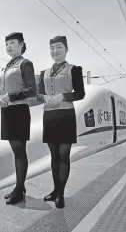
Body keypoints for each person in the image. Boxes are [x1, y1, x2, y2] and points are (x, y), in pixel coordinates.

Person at [37, 35, 85, 208]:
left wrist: (62, 96)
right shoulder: (44, 73)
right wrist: (43, 97)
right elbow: (38, 94)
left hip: (66, 115)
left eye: (59, 47)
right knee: (54, 156)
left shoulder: (74, 69)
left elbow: (80, 94)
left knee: (64, 156)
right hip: (49, 116)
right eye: (52, 48)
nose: (55, 51)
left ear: (66, 49)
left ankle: (61, 194)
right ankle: (55, 190)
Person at [0, 32, 37, 204]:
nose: (8, 46)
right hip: (7, 111)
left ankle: (19, 190)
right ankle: (20, 186)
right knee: (16, 151)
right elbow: (2, 88)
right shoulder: (6, 66)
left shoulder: (25, 64)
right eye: (6, 44)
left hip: (19, 111)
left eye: (12, 43)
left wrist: (10, 96)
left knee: (20, 151)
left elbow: (31, 90)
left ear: (21, 44)